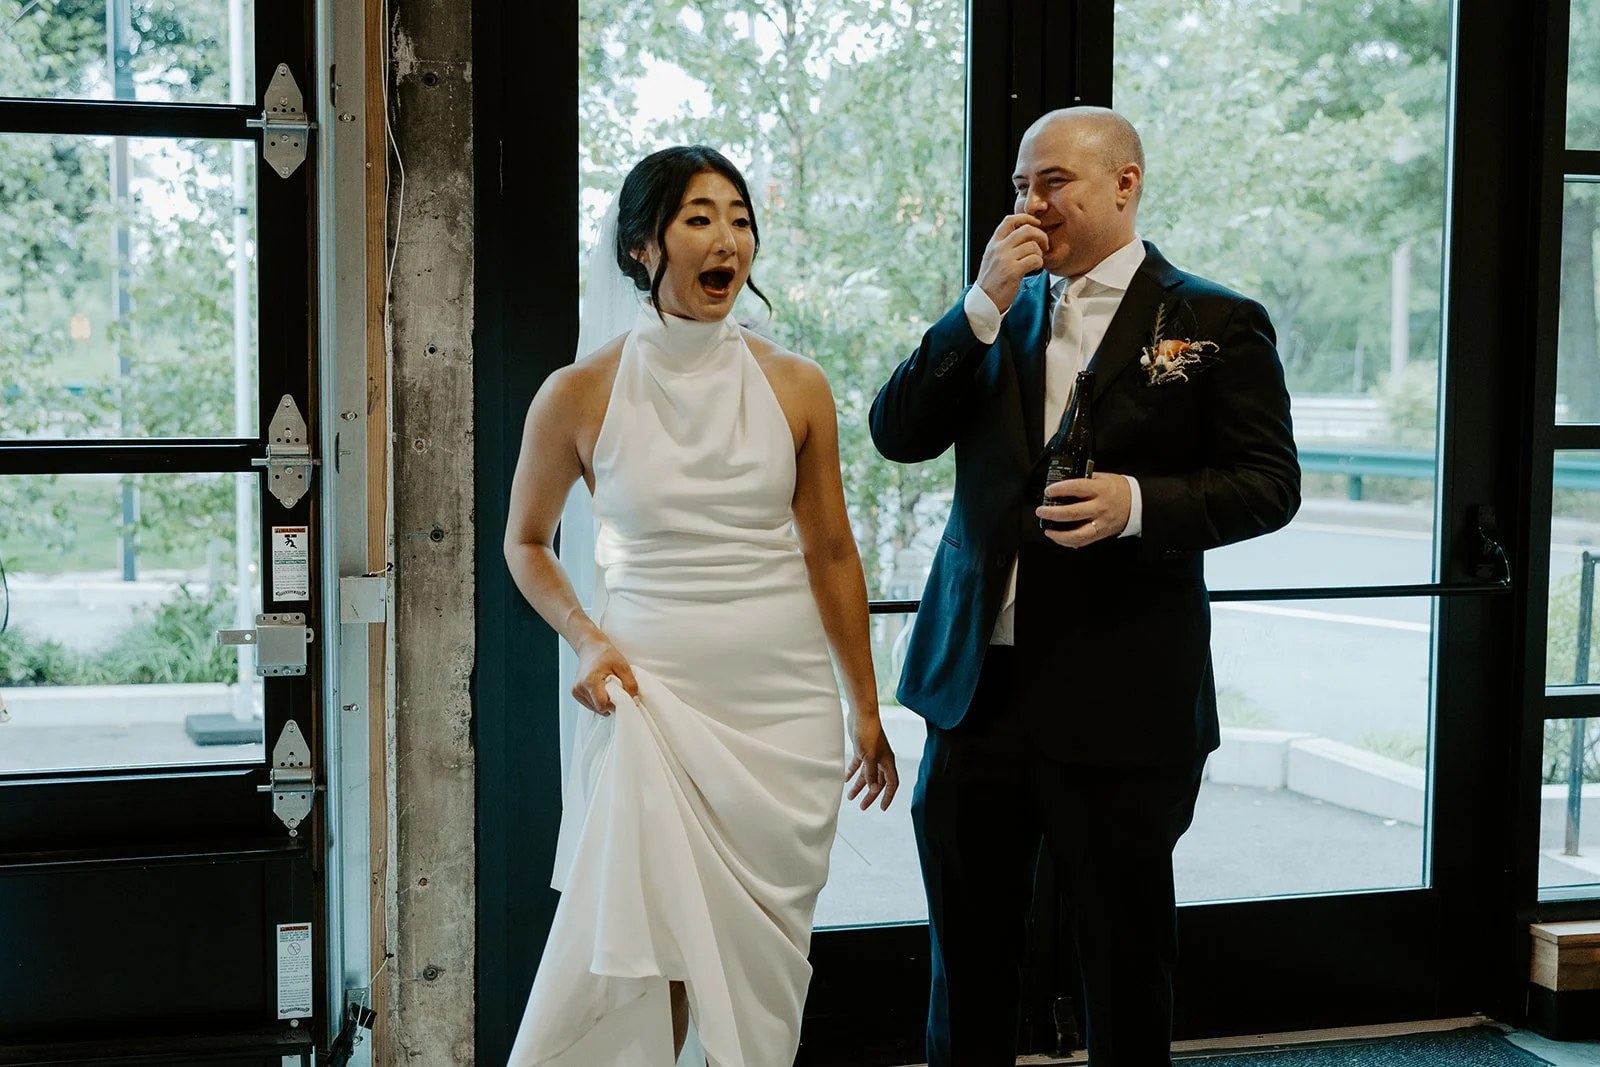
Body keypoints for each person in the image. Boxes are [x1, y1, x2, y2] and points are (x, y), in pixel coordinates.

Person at [870, 107, 1301, 1066]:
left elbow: (1271, 486)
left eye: (1052, 180)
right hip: (975, 694)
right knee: (967, 959)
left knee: (1123, 958)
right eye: (1022, 184)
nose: (1032, 202)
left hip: (1124, 696)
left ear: (1124, 183)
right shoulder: (993, 313)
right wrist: (979, 302)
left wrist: (1142, 501)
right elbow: (897, 431)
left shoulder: (1215, 321)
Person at [503, 144, 898, 1067]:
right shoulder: (577, 393)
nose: (728, 239)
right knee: (660, 953)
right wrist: (586, 638)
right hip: (653, 699)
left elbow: (832, 549)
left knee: (763, 955)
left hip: (782, 707)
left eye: (740, 218)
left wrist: (865, 705)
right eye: (699, 218)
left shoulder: (795, 385)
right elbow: (525, 543)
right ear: (644, 246)